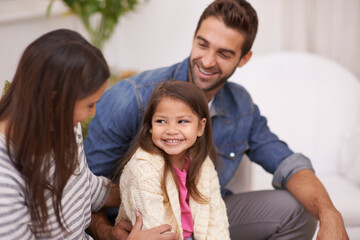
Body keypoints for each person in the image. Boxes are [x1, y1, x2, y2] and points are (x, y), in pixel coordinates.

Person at [85, 0, 349, 239]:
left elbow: (287, 163)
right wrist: (107, 233)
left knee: (297, 209)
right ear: (193, 37)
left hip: (206, 220)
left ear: (244, 59)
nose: (207, 61)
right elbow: (82, 188)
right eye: (203, 44)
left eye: (224, 54)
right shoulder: (131, 98)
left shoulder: (241, 106)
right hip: (144, 228)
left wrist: (330, 213)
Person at [0, 29, 176, 240]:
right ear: (52, 102)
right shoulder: (5, 180)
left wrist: (145, 188)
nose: (92, 114)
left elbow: (82, 186)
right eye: (89, 105)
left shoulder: (63, 126)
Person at [114, 81, 230, 240]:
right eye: (161, 121)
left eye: (182, 121)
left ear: (200, 128)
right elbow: (153, 229)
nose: (171, 131)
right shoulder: (142, 167)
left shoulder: (202, 162)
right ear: (150, 127)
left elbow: (216, 218)